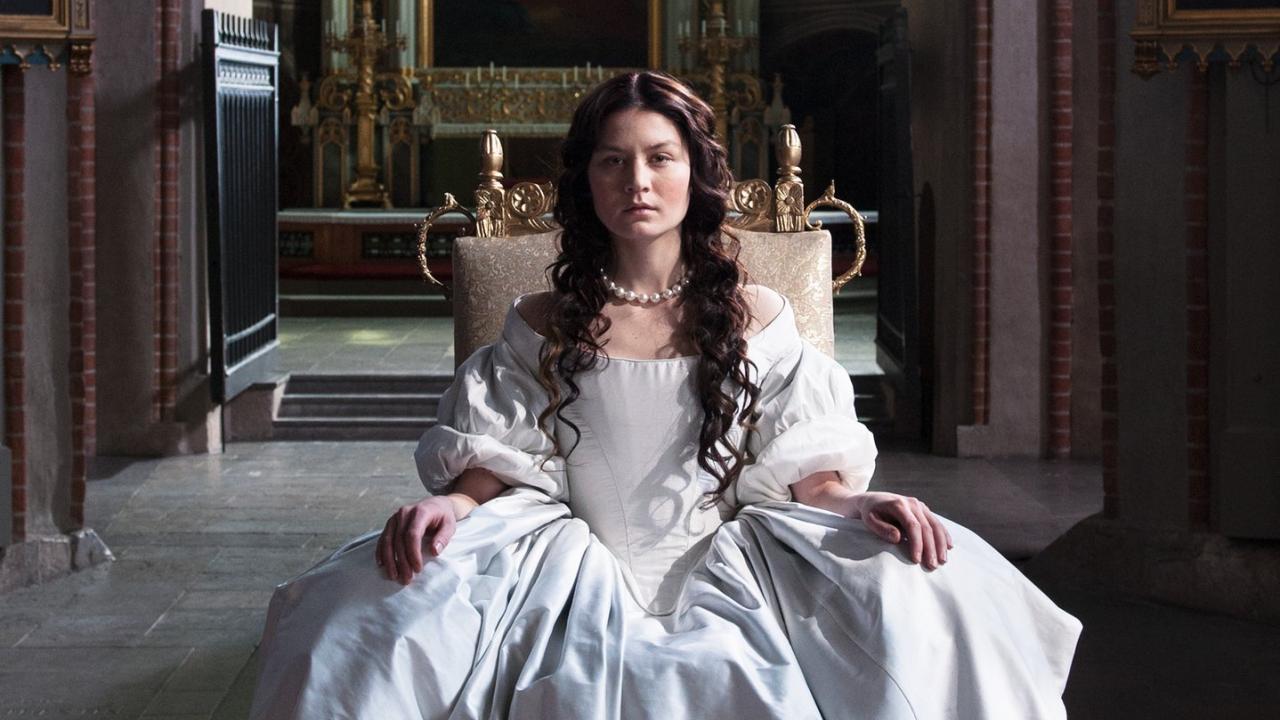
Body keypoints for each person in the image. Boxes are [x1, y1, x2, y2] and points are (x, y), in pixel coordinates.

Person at [250, 71, 1081, 719]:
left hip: (737, 554)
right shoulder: (541, 318)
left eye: (659, 157)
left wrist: (857, 503)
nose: (636, 181)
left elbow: (806, 468)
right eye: (613, 161)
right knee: (359, 623)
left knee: (933, 595)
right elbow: (503, 458)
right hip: (565, 556)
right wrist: (454, 508)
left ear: (695, 173)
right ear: (588, 181)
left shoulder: (758, 314)